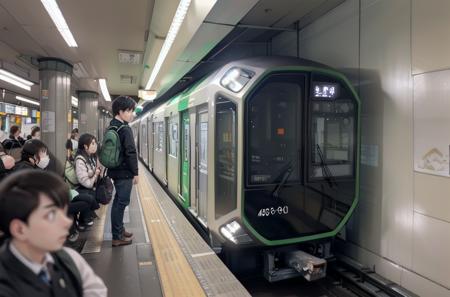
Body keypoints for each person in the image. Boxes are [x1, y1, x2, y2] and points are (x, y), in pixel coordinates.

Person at [0, 170, 107, 297]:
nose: (67, 221)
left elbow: (96, 290)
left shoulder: (69, 258)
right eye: (50, 215)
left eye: (63, 211)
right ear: (19, 229)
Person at [107, 96, 138, 247]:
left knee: (118, 202)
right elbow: (130, 152)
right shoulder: (125, 129)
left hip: (115, 171)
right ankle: (117, 236)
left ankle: (119, 230)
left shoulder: (112, 126)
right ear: (120, 111)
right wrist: (136, 173)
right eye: (129, 110)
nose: (131, 113)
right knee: (121, 203)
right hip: (124, 172)